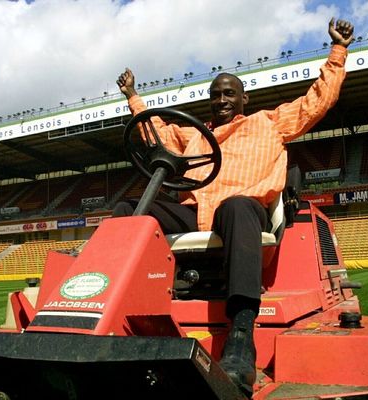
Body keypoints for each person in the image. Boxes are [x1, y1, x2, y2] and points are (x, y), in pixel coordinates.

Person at [115, 18, 354, 396]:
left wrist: (337, 51)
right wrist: (133, 96)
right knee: (130, 208)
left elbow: (316, 102)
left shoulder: (270, 123)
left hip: (243, 211)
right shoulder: (194, 135)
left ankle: (241, 334)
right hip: (196, 212)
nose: (221, 100)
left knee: (238, 205)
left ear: (244, 100)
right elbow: (154, 131)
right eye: (215, 95)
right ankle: (107, 304)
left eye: (229, 94)